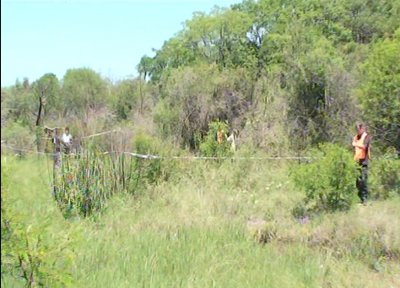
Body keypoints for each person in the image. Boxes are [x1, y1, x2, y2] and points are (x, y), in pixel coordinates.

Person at [352, 122, 371, 205]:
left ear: (362, 128)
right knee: (358, 182)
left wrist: (355, 144)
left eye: (358, 129)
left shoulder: (367, 137)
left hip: (364, 161)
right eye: (356, 129)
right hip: (356, 161)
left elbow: (364, 146)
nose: (357, 131)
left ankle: (365, 199)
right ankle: (361, 199)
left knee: (363, 180)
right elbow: (353, 148)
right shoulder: (355, 137)